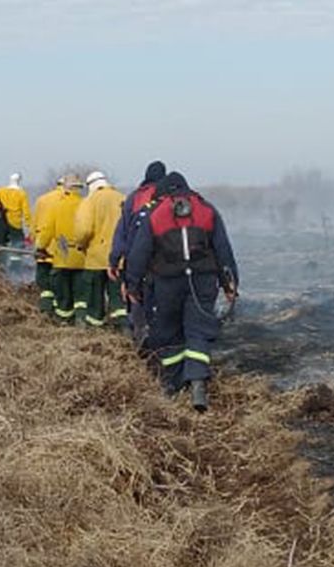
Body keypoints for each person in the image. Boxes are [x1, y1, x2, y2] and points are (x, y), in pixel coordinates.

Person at [124, 171, 238, 411]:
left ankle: (174, 387)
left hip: (166, 284)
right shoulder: (207, 210)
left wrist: (133, 285)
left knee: (168, 332)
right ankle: (197, 385)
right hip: (203, 282)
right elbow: (223, 250)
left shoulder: (154, 214)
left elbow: (138, 253)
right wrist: (230, 284)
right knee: (198, 331)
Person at [109, 160, 167, 341]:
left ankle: (139, 342)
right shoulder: (170, 199)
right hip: (165, 263)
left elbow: (122, 233)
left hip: (136, 262)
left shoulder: (134, 198)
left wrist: (113, 260)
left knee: (136, 302)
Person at [72, 170, 127, 328]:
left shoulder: (89, 201)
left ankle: (95, 332)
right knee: (119, 301)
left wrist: (81, 245)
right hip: (120, 260)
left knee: (94, 302)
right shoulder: (122, 198)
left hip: (95, 260)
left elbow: (83, 230)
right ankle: (123, 331)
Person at [34, 173, 86, 324]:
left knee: (63, 294)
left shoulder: (58, 206)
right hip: (82, 256)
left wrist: (40, 247)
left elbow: (47, 230)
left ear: (65, 188)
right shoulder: (86, 204)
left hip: (62, 255)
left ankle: (63, 321)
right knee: (81, 293)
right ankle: (81, 320)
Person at [30, 176, 66, 316]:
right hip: (62, 252)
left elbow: (34, 225)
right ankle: (59, 312)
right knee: (60, 284)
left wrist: (36, 244)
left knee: (45, 285)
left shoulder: (42, 200)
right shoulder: (71, 201)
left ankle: (45, 310)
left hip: (43, 250)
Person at [0, 173, 31, 248]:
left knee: (0, 242)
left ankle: (1, 257)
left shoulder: (1, 191)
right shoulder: (22, 193)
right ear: (19, 181)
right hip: (15, 223)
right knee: (18, 243)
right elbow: (26, 212)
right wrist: (30, 226)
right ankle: (16, 257)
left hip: (3, 219)